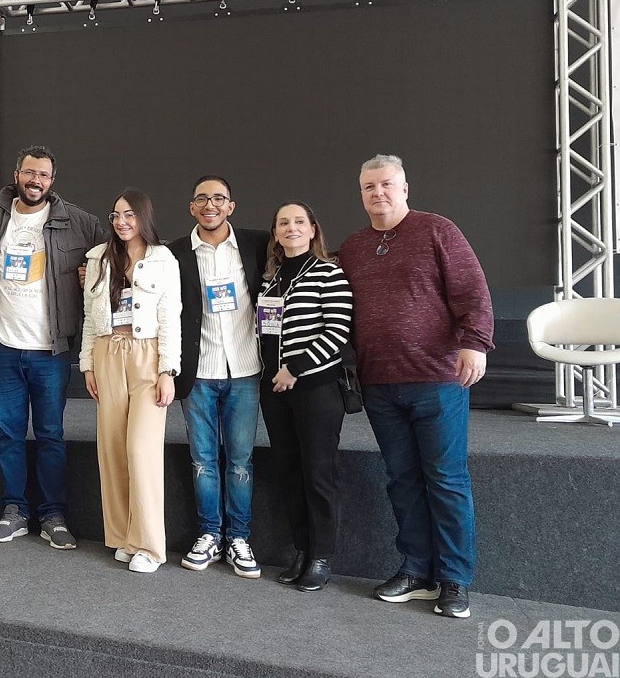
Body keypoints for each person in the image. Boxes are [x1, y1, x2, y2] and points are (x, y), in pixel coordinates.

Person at [339, 154, 493, 619]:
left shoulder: (437, 230)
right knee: (402, 480)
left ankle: (454, 579)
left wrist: (476, 344)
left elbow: (472, 291)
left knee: (446, 481)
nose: (378, 193)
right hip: (380, 384)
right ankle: (416, 569)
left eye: (386, 184)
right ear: (361, 193)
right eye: (369, 187)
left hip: (438, 380)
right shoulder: (352, 247)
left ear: (405, 188)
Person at [0, 146, 107, 548]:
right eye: (30, 173)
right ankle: (14, 510)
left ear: (53, 180)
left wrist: (96, 271)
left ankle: (53, 515)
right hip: (4, 348)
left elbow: (120, 249)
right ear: (16, 174)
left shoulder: (78, 222)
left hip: (51, 351)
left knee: (50, 435)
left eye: (44, 176)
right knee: (9, 435)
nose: (36, 181)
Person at [168, 176, 268, 579]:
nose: (210, 205)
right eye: (202, 199)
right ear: (192, 207)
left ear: (231, 205)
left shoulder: (258, 244)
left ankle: (239, 538)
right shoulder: (173, 253)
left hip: (246, 369)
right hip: (199, 372)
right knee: (203, 461)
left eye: (219, 199)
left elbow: (305, 253)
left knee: (240, 460)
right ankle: (209, 534)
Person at [80, 189, 181, 573]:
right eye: (116, 214)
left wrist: (168, 370)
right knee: (111, 449)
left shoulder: (163, 259)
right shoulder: (98, 258)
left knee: (141, 450)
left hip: (146, 356)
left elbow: (172, 317)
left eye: (129, 214)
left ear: (144, 217)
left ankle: (151, 546)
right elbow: (91, 317)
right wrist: (87, 364)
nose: (122, 221)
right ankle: (123, 536)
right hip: (108, 353)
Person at [257, 202, 353, 591]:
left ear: (313, 229)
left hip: (315, 390)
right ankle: (301, 549)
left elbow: (337, 332)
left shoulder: (329, 272)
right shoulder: (271, 279)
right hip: (275, 393)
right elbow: (264, 331)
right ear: (275, 234)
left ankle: (321, 556)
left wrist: (294, 369)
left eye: (299, 222)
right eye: (283, 223)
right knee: (289, 473)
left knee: (318, 474)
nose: (291, 228)